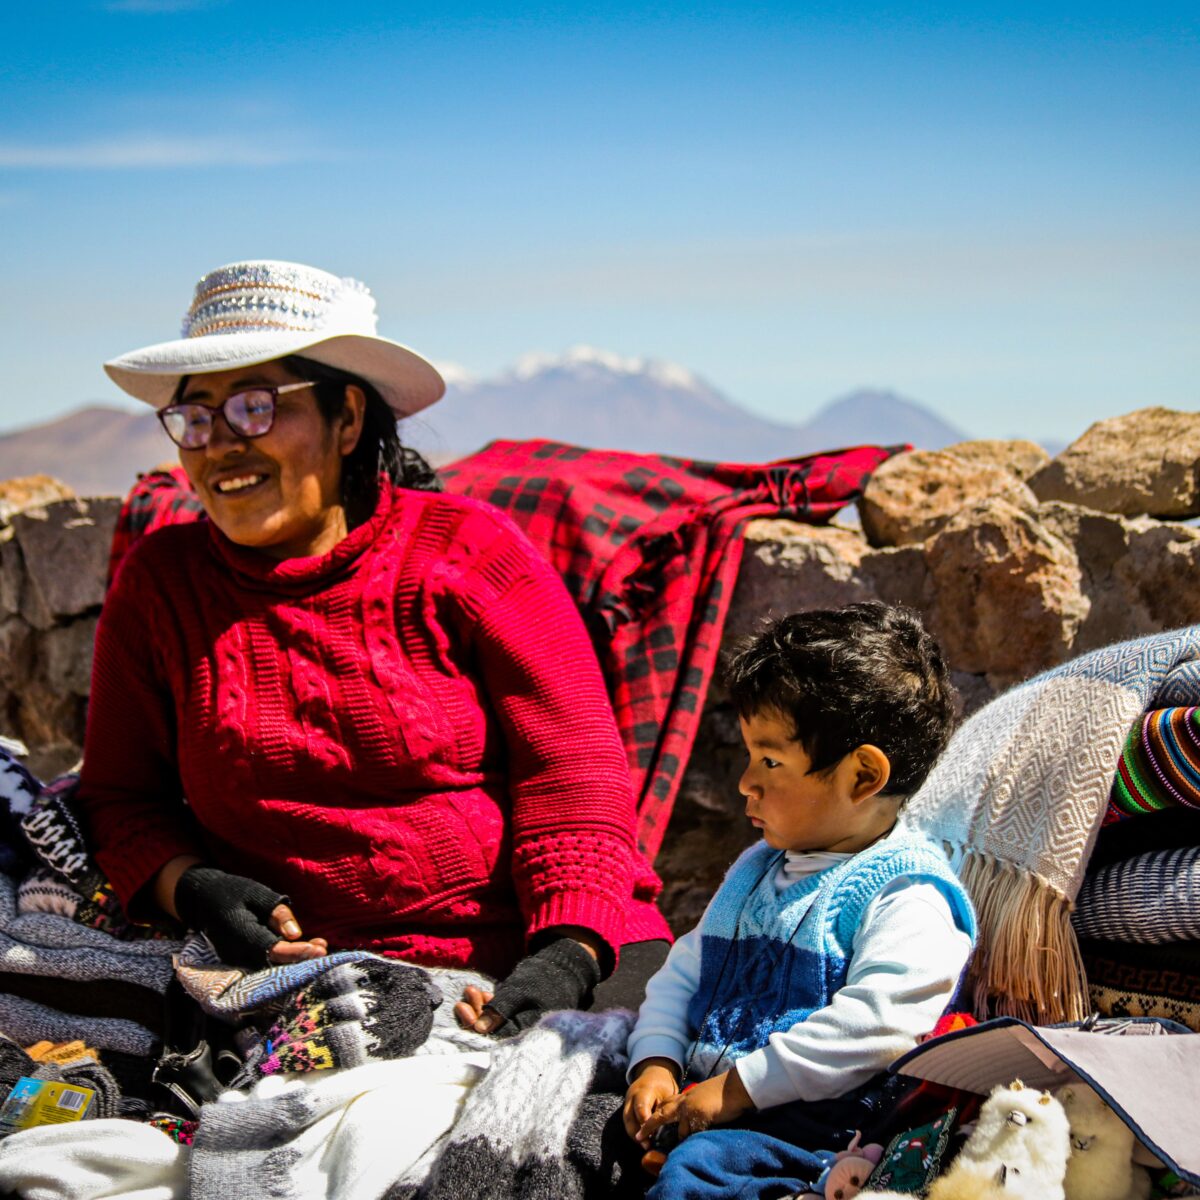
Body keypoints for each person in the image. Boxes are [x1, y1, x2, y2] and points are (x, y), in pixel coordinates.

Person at [81, 259, 669, 1037]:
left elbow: (573, 773)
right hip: (318, 974)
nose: (219, 445)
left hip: (539, 948)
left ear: (348, 419)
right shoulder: (162, 585)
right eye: (196, 417)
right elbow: (120, 798)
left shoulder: (469, 554)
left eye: (255, 407)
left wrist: (567, 949)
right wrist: (191, 886)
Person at [621, 603, 977, 1195]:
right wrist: (656, 1061)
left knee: (696, 1176)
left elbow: (879, 1024)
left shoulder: (906, 893)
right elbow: (684, 973)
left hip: (817, 1129)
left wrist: (737, 1090)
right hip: (707, 1100)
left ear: (862, 777)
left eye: (769, 761)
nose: (746, 782)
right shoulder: (754, 872)